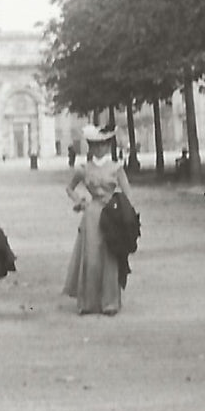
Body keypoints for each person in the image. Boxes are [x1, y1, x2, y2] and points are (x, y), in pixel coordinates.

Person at [63, 125, 135, 315]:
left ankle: (110, 302)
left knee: (110, 256)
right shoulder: (84, 169)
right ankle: (88, 302)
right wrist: (79, 201)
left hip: (112, 213)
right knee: (92, 257)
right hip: (92, 213)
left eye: (103, 144)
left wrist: (125, 212)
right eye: (95, 144)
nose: (100, 148)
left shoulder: (116, 167)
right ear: (90, 146)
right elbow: (69, 188)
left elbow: (127, 192)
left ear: (108, 145)